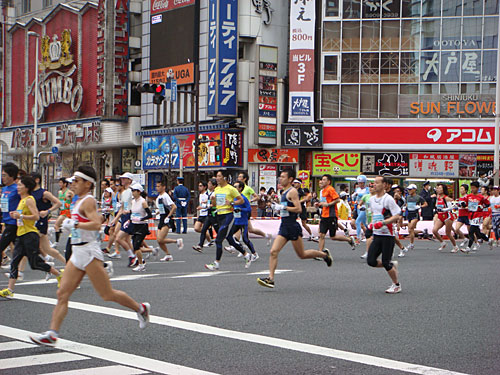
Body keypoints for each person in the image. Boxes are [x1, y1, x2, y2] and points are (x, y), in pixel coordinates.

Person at [29, 166, 150, 346]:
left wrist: (74, 224)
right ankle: (52, 334)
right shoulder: (78, 201)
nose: (73, 185)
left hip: (89, 252)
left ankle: (141, 308)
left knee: (107, 294)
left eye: (77, 181)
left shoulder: (89, 201)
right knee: (62, 293)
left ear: (88, 183)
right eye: (73, 182)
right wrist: (66, 223)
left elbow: (95, 224)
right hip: (78, 252)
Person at [257, 169, 333, 289]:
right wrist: (275, 206)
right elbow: (284, 209)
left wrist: (283, 207)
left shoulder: (292, 192)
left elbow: (298, 209)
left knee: (302, 254)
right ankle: (271, 279)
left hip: (292, 226)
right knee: (273, 251)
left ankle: (323, 255)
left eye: (283, 177)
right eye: (280, 177)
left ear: (290, 179)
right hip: (284, 225)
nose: (280, 179)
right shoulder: (283, 191)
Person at [0, 176, 62, 299]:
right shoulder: (21, 200)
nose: (18, 187)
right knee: (15, 261)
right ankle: (10, 290)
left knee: (34, 263)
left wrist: (20, 216)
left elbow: (36, 216)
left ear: (26, 187)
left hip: (30, 235)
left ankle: (59, 274)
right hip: (21, 234)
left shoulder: (29, 200)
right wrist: (15, 216)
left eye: (20, 185)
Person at [366, 176, 402, 294]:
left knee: (385, 261)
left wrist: (383, 223)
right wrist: (371, 225)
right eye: (373, 183)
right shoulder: (371, 200)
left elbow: (397, 215)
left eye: (377, 183)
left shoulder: (388, 199)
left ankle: (396, 285)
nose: (374, 185)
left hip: (388, 235)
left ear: (384, 185)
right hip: (377, 234)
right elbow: (374, 214)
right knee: (371, 260)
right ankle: (392, 266)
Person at [205, 170, 244, 270]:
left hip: (228, 215)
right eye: (216, 176)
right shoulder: (217, 189)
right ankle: (246, 254)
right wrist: (213, 200)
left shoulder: (231, 189)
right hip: (219, 216)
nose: (217, 178)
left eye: (219, 176)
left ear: (224, 178)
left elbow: (241, 200)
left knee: (218, 240)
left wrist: (231, 203)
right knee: (230, 240)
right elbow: (214, 204)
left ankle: (216, 263)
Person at [30, 172, 65, 265]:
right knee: (47, 248)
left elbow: (58, 203)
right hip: (32, 221)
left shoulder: (44, 193)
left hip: (40, 221)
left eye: (31, 179)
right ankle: (65, 263)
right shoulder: (29, 192)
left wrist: (47, 211)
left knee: (28, 245)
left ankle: (18, 271)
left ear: (37, 180)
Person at [316, 174, 355, 253]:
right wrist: (319, 204)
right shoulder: (323, 191)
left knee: (333, 236)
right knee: (321, 235)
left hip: (331, 215)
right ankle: (320, 253)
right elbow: (324, 202)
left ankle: (349, 239)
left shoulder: (330, 189)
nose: (322, 181)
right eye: (322, 180)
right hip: (324, 215)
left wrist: (328, 204)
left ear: (328, 181)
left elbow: (337, 199)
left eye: (324, 180)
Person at [225, 181, 258, 268]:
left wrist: (240, 210)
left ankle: (254, 254)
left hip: (243, 222)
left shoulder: (243, 199)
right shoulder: (234, 198)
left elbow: (248, 209)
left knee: (245, 239)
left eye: (236, 187)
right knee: (228, 237)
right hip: (236, 221)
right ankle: (241, 248)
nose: (234, 188)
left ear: (240, 188)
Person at [109, 172, 136, 267]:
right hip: (124, 217)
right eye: (122, 179)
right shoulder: (123, 193)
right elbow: (122, 208)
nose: (122, 180)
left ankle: (132, 256)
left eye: (125, 178)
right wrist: (115, 219)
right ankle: (136, 257)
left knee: (119, 238)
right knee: (127, 240)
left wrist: (130, 211)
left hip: (130, 217)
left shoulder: (132, 191)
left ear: (130, 180)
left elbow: (135, 204)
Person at [155, 179, 183, 261]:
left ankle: (177, 241)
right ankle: (168, 254)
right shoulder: (159, 197)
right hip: (161, 218)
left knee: (160, 239)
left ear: (163, 187)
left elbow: (174, 207)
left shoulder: (165, 196)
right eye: (156, 186)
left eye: (159, 186)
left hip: (166, 219)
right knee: (159, 241)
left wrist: (168, 216)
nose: (157, 188)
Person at [0, 163, 21, 266]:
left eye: (4, 175)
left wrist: (20, 215)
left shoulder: (17, 189)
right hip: (6, 222)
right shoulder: (4, 189)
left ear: (11, 176)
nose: (2, 177)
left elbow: (25, 201)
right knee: (22, 251)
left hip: (13, 223)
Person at [461, 181, 490, 253]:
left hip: (478, 215)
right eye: (471, 188)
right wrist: (463, 204)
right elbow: (464, 203)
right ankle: (488, 240)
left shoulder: (481, 197)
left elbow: (488, 204)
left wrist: (482, 206)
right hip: (470, 215)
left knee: (471, 231)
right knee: (478, 233)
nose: (472, 189)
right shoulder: (469, 196)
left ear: (477, 188)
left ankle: (468, 247)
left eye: (474, 188)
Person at [399, 184, 427, 257]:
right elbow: (406, 204)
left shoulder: (418, 197)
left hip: (415, 214)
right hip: (409, 214)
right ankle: (413, 241)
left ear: (414, 189)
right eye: (408, 189)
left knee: (411, 227)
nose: (409, 191)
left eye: (410, 189)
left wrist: (420, 206)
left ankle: (411, 243)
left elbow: (425, 204)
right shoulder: (407, 197)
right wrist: (405, 207)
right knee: (410, 230)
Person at [432, 184, 459, 253]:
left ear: (443, 190)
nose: (438, 189)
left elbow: (453, 206)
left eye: (440, 188)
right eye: (437, 188)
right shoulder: (437, 197)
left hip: (447, 216)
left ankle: (455, 246)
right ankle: (442, 242)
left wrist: (444, 209)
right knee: (434, 230)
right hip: (440, 216)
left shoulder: (446, 198)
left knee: (448, 233)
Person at [54, 177, 74, 247]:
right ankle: (57, 241)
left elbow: (73, 201)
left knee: (57, 225)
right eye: (59, 182)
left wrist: (70, 200)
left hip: (68, 212)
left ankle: (70, 244)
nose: (59, 184)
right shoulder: (59, 192)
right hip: (62, 211)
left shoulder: (69, 192)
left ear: (65, 184)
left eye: (61, 183)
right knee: (56, 226)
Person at [353, 175, 370, 243]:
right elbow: (356, 198)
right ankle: (368, 236)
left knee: (358, 221)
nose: (360, 184)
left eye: (362, 183)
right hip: (358, 207)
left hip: (364, 207)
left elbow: (366, 196)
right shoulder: (357, 189)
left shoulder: (367, 189)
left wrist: (358, 194)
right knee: (364, 223)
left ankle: (358, 237)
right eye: (359, 183)